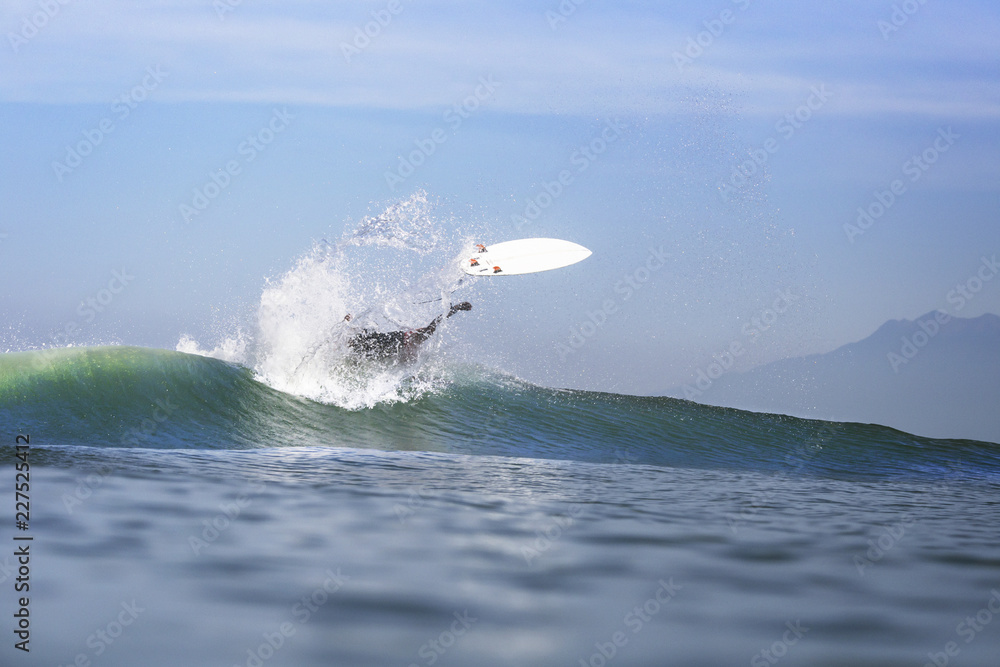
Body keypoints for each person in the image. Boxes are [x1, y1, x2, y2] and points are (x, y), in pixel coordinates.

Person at [346, 302, 472, 361]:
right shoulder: (420, 337)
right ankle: (347, 327)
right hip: (390, 341)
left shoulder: (415, 352)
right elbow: (436, 322)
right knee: (358, 343)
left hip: (386, 349)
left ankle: (347, 327)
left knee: (360, 352)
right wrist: (456, 308)